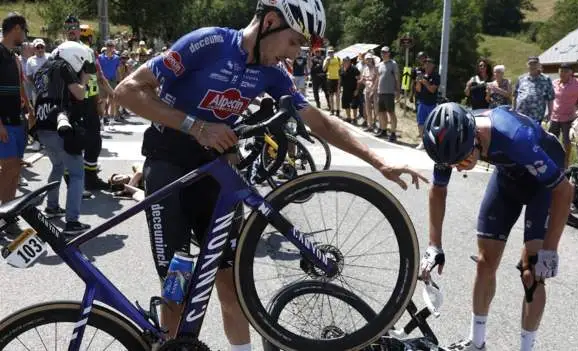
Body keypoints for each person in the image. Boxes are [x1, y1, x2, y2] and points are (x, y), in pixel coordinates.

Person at [114, 1, 428, 350]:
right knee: (177, 289)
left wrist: (378, 161)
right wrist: (197, 127)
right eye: (293, 42)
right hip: (170, 166)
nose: (292, 55)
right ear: (270, 22)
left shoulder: (271, 73)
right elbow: (127, 91)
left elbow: (320, 120)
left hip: (218, 173)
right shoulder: (208, 43)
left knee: (231, 285)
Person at [419, 103, 574, 351]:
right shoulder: (451, 141)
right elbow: (438, 189)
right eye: (452, 164)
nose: (458, 167)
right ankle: (476, 342)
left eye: (462, 160)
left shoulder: (513, 136)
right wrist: (434, 245)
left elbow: (565, 191)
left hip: (543, 183)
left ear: (476, 138)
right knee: (485, 261)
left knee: (532, 271)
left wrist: (550, 250)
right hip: (508, 175)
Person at [33, 41, 95, 234]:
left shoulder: (43, 68)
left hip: (42, 125)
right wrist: (84, 78)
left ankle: (52, 207)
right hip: (60, 125)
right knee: (77, 173)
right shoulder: (63, 66)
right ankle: (72, 221)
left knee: (58, 166)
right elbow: (80, 93)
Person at [64, 15, 112, 191]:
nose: (72, 31)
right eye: (68, 28)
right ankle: (72, 182)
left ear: (78, 31)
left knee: (94, 141)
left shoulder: (89, 51)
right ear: (65, 31)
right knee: (73, 141)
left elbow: (96, 76)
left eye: (74, 27)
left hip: (89, 101)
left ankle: (90, 177)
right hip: (70, 102)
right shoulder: (60, 51)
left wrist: (104, 97)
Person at [0, 12, 32, 236]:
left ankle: (8, 214)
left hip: (18, 121)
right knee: (8, 168)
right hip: (5, 123)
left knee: (15, 168)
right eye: (24, 31)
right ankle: (4, 216)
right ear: (16, 29)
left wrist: (29, 107)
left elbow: (20, 85)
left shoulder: (14, 57)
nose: (25, 36)